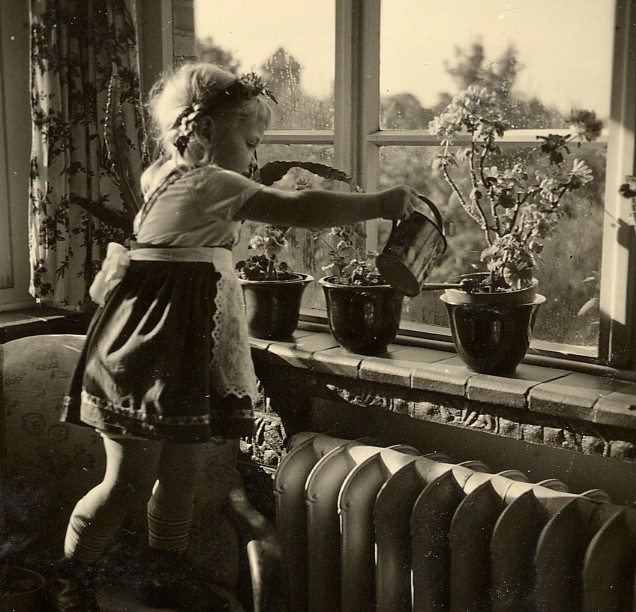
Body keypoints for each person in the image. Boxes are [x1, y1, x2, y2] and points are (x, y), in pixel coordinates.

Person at [48, 62, 421, 611]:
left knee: (182, 473)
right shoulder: (209, 182)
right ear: (203, 133)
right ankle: (71, 579)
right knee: (126, 483)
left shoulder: (164, 176)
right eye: (249, 142)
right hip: (148, 351)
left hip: (175, 349)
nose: (253, 157)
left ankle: (164, 568)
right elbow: (298, 208)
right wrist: (376, 204)